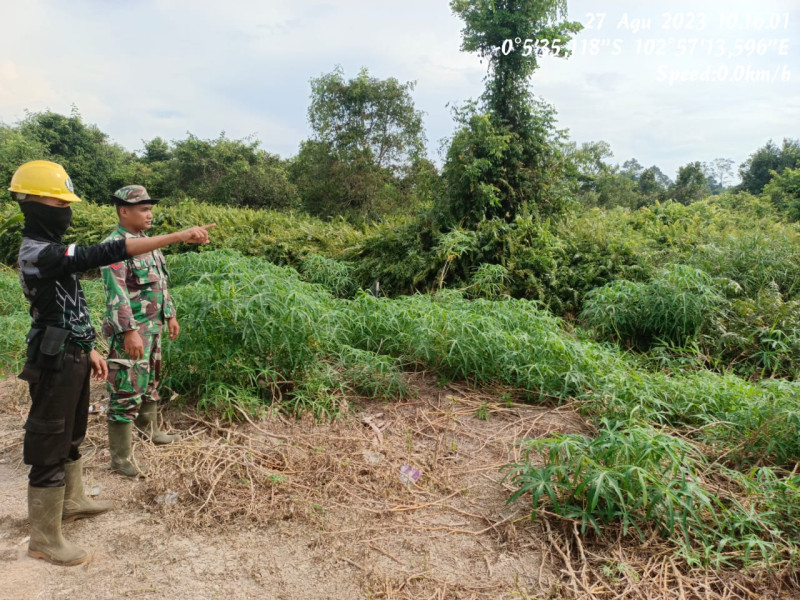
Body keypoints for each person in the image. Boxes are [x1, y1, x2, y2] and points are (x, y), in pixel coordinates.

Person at [9, 160, 214, 566]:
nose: (64, 209)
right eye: (56, 201)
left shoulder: (53, 252)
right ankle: (44, 539)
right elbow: (103, 252)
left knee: (71, 434)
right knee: (50, 439)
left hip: (72, 351)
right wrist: (177, 236)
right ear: (28, 203)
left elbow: (67, 308)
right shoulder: (39, 252)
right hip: (52, 358)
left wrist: (89, 348)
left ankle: (73, 500)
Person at [101, 185, 182, 478]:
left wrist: (170, 315)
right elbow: (116, 293)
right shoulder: (114, 245)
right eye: (143, 210)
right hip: (133, 332)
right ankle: (121, 458)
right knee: (126, 387)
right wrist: (128, 331)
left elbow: (161, 282)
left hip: (154, 327)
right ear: (124, 211)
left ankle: (151, 432)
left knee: (150, 381)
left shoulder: (148, 241)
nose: (149, 215)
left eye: (150, 209)